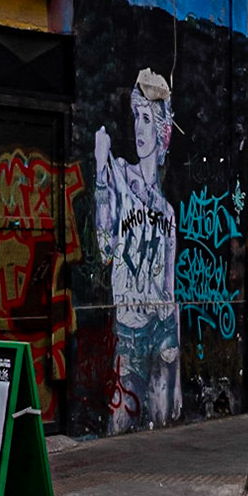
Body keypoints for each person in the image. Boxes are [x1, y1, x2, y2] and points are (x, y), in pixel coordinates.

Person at [93, 68, 180, 430]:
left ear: (162, 133)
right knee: (121, 424)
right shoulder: (117, 176)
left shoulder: (168, 213)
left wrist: (178, 375)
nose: (139, 129)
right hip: (128, 330)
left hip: (162, 327)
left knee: (162, 425)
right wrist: (99, 170)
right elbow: (104, 248)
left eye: (147, 120)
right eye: (136, 118)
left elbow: (171, 289)